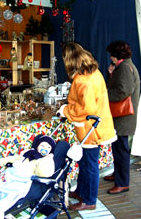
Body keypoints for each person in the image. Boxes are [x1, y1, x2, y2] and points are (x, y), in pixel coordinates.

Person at [56, 42, 117, 211]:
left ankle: (89, 200)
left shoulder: (83, 79)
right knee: (85, 162)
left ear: (69, 59)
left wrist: (66, 110)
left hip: (90, 129)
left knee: (89, 164)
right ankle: (83, 192)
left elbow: (86, 109)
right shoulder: (93, 72)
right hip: (93, 126)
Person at [0, 135, 56, 219]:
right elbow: (17, 158)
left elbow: (44, 172)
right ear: (37, 145)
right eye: (42, 145)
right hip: (10, 174)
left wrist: (47, 159)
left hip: (21, 180)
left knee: (4, 199)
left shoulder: (43, 160)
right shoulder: (28, 152)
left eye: (48, 147)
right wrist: (5, 161)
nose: (45, 148)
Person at [104, 40, 140, 194]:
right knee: (118, 148)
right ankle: (118, 174)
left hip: (123, 117)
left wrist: (104, 94)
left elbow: (122, 91)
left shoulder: (125, 67)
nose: (110, 58)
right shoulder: (126, 66)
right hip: (122, 116)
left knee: (121, 150)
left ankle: (123, 182)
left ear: (116, 54)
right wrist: (111, 73)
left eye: (112, 55)